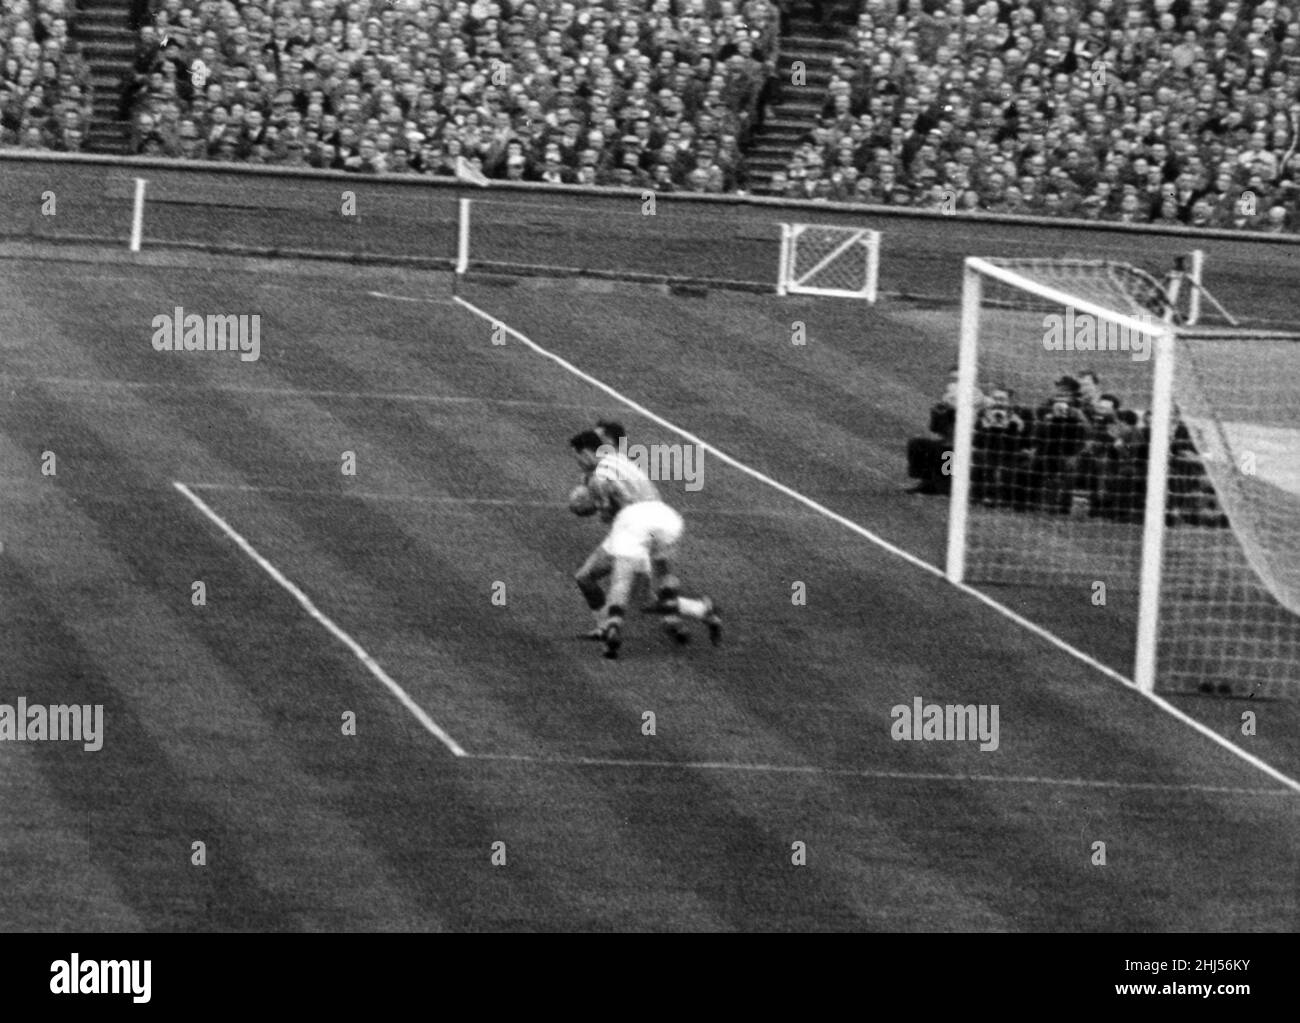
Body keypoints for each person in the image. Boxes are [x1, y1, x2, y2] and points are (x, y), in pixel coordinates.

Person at [569, 430, 721, 659]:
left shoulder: (600, 477)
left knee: (594, 578)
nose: (578, 463)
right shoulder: (620, 460)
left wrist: (588, 504)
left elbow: (610, 515)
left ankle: (608, 629)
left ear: (588, 453)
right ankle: (701, 610)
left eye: (578, 457)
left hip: (633, 528)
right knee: (640, 596)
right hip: (659, 521)